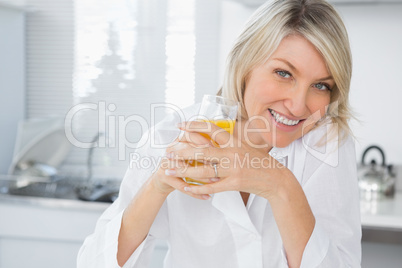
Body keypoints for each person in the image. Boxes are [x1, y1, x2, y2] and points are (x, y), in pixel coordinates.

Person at [77, 0, 361, 267]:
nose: (299, 105)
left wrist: (281, 185)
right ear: (245, 64)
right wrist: (156, 186)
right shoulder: (173, 135)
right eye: (283, 74)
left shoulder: (327, 143)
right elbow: (94, 262)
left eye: (321, 86)